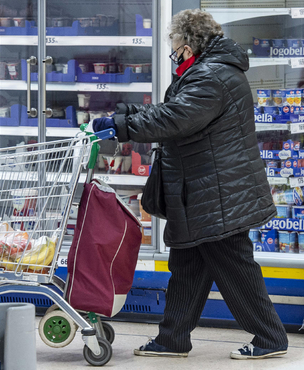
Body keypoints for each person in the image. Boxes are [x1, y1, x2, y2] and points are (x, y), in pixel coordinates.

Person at [92, 8, 288, 360]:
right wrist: (127, 115)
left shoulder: (212, 76)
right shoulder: (211, 72)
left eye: (176, 47)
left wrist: (122, 126)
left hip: (217, 193)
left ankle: (271, 338)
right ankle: (172, 339)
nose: (174, 54)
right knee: (187, 267)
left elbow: (177, 117)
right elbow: (177, 111)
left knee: (235, 267)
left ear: (189, 46)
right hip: (202, 190)